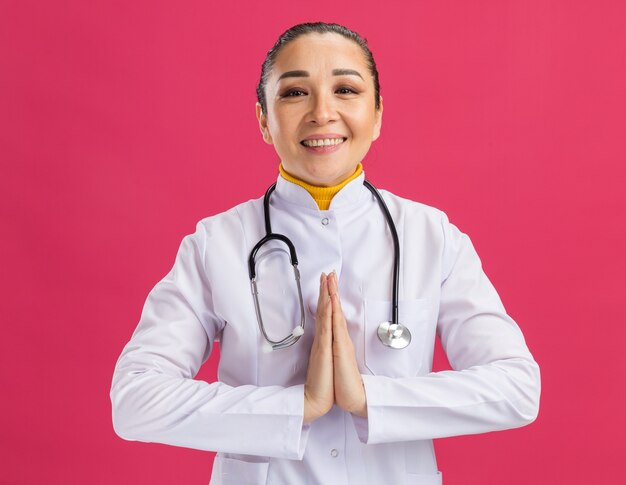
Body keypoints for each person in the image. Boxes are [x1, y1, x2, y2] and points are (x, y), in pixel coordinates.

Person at [110, 22, 541, 485]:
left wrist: (368, 401)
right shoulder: (217, 244)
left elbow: (517, 388)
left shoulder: (431, 236)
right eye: (296, 92)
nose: (322, 112)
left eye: (345, 89)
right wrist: (297, 408)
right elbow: (135, 400)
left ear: (376, 115)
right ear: (262, 119)